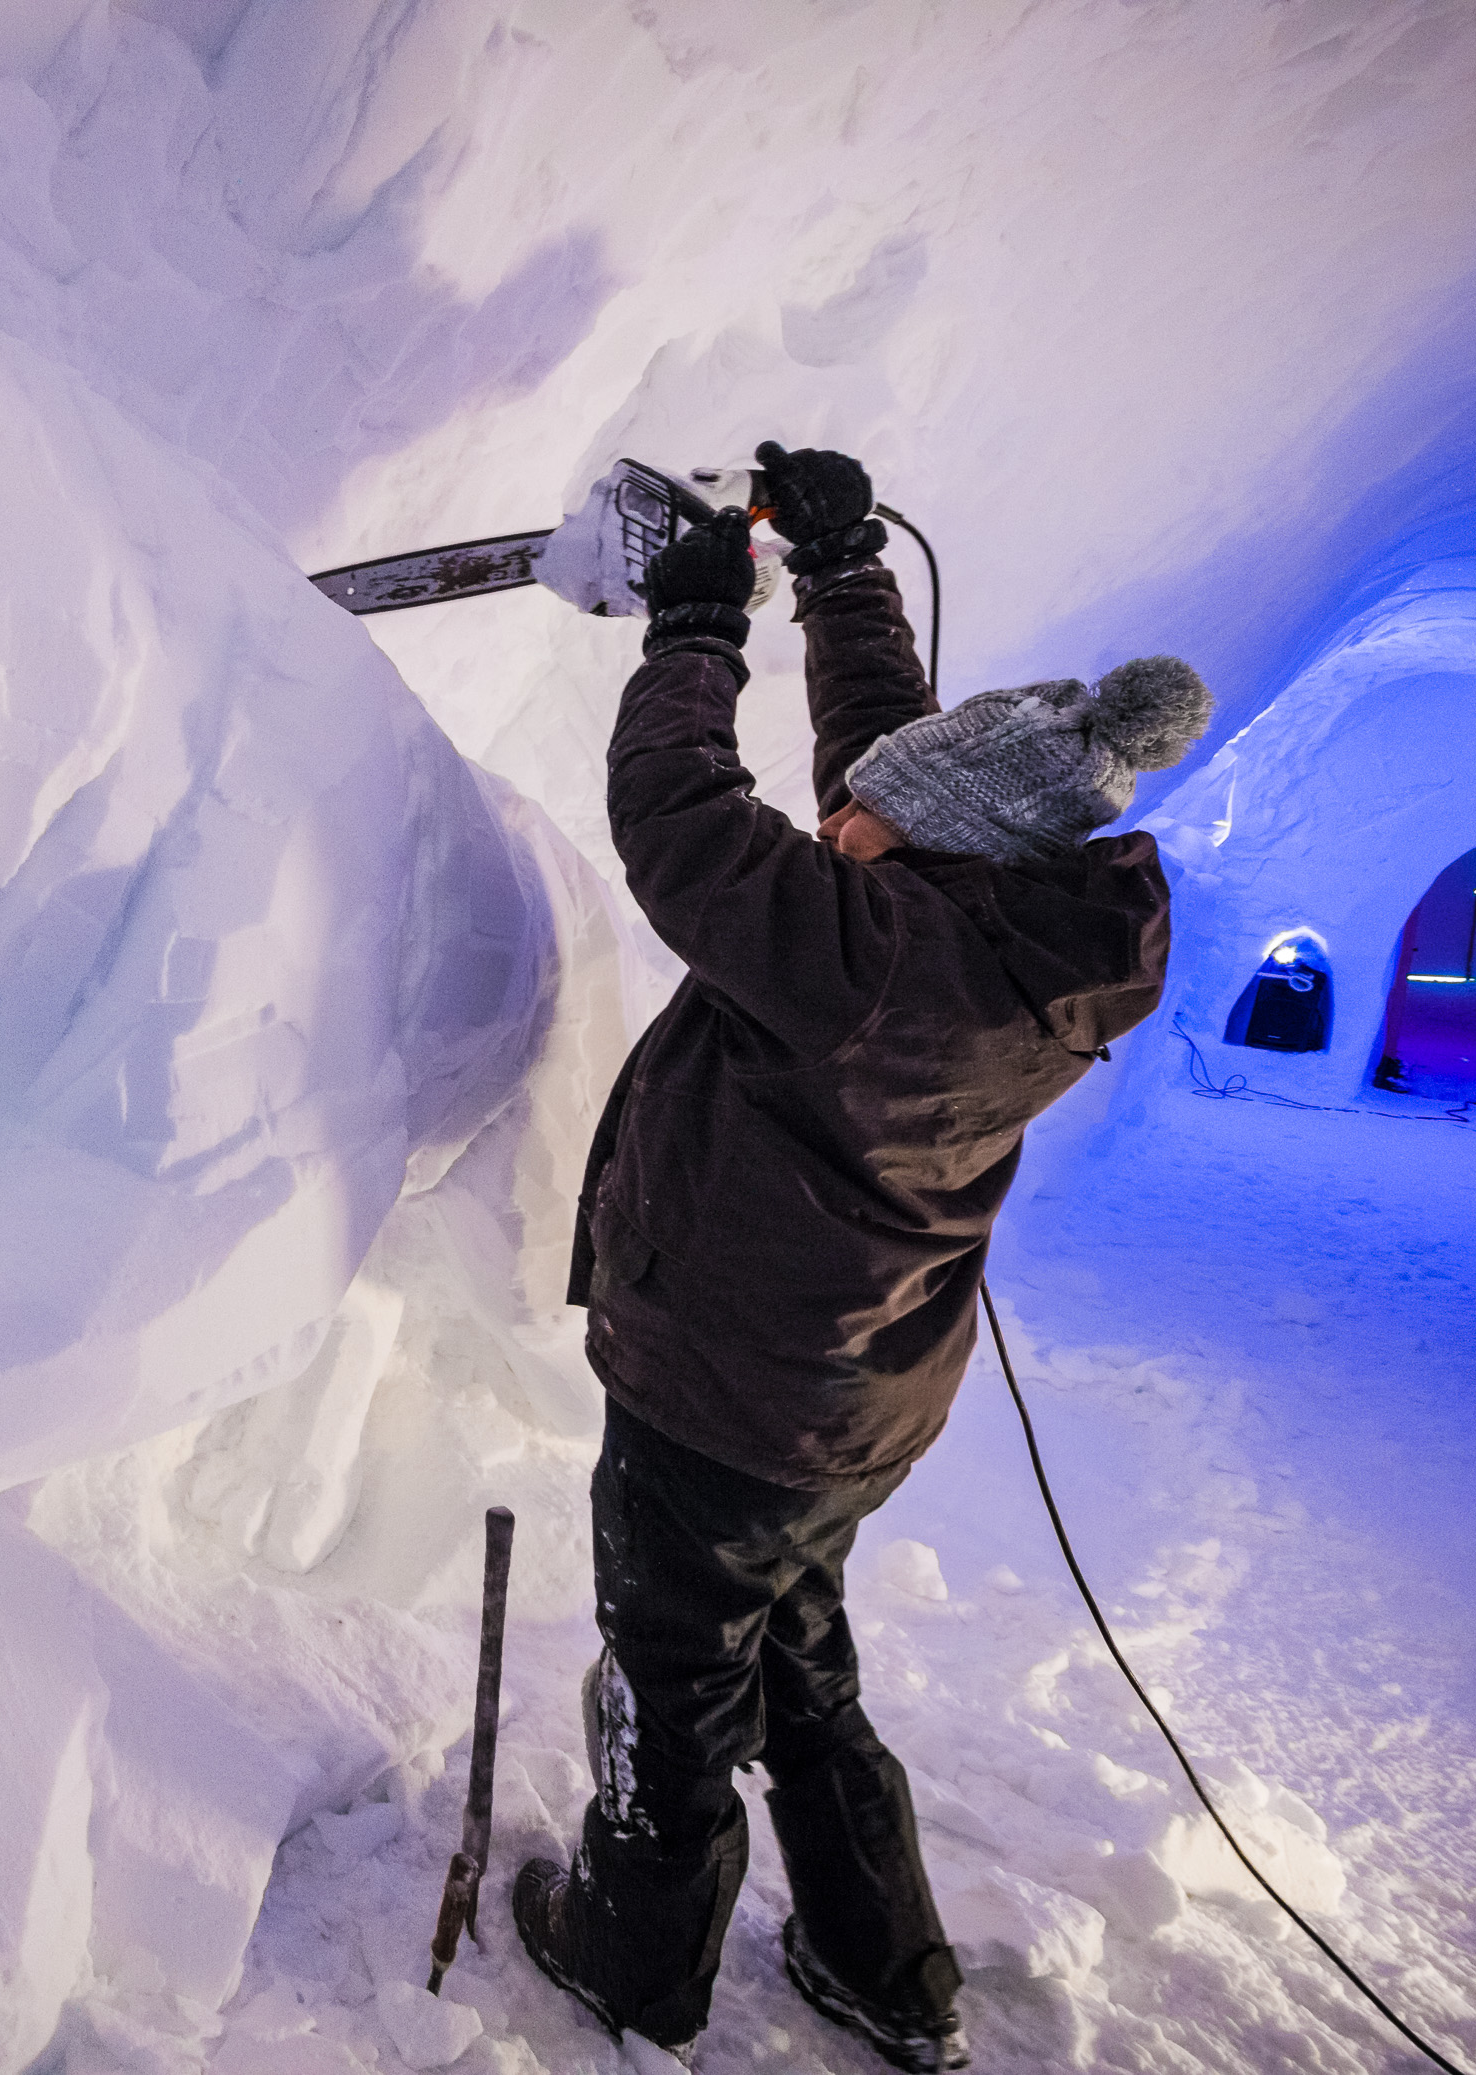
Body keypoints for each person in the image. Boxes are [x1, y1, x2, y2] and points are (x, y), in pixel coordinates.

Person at [511, 441, 1211, 2072]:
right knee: (802, 1670)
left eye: (868, 820)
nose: (843, 818)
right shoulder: (1014, 929)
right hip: (846, 1409)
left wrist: (693, 634)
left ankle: (632, 1961)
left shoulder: (865, 959)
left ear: (934, 850)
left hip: (721, 1402)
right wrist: (836, 574)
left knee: (674, 1682)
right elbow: (891, 766)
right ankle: (880, 1970)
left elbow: (680, 826)